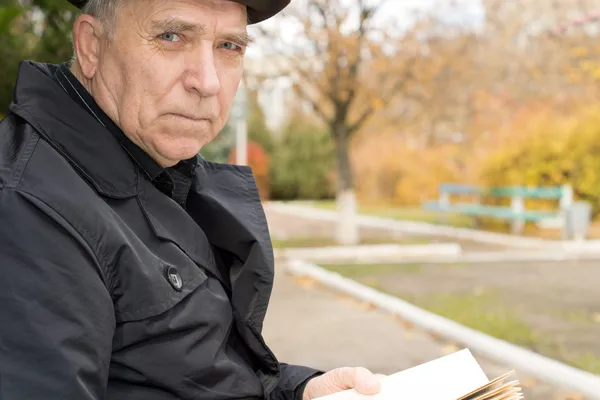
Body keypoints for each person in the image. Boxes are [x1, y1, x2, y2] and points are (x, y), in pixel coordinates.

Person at [0, 0, 385, 399]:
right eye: (171, 36)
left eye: (230, 47)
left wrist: (298, 391)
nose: (208, 81)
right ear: (92, 46)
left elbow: (194, 373)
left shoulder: (156, 169)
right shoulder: (27, 208)